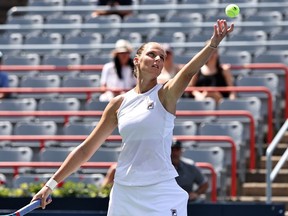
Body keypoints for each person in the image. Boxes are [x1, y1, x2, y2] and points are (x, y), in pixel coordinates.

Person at [32, 20, 234, 216]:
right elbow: (86, 149)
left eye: (162, 57)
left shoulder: (166, 94)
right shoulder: (118, 104)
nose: (158, 60)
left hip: (160, 190)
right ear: (136, 60)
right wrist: (50, 184)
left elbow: (189, 71)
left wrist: (212, 44)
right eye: (152, 54)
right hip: (124, 191)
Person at [101, 141, 209, 203]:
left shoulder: (190, 166)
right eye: (172, 149)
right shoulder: (152, 164)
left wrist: (196, 193)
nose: (174, 152)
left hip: (184, 203)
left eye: (177, 149)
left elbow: (204, 184)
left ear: (181, 150)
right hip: (157, 202)